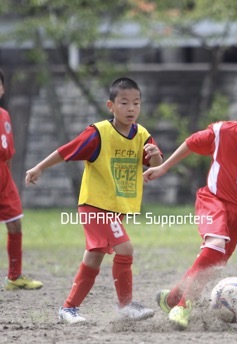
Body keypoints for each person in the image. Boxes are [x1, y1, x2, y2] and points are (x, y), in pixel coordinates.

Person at [144, 73, 237, 330]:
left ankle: (171, 299)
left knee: (214, 264)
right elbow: (191, 143)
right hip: (212, 200)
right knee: (213, 247)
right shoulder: (221, 132)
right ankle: (184, 307)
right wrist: (164, 168)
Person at [25, 77, 163, 324]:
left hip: (115, 206)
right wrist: (39, 167)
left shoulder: (142, 134)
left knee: (94, 256)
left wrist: (155, 157)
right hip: (95, 205)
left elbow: (155, 165)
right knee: (126, 249)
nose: (131, 108)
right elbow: (66, 150)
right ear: (111, 106)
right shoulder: (98, 133)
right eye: (124, 103)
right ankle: (126, 306)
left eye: (136, 103)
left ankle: (68, 309)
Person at [0, 69, 44, 290]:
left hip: (3, 178)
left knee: (15, 223)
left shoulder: (5, 115)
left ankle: (14, 277)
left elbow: (8, 153)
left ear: (2, 88)